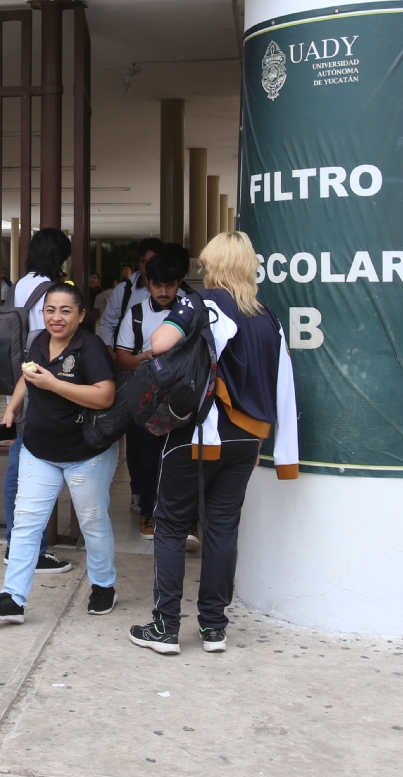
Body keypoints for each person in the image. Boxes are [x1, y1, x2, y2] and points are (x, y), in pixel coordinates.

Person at [127, 232, 298, 656]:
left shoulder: (204, 303)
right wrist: (282, 453)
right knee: (221, 529)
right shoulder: (268, 318)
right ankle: (214, 628)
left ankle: (166, 627)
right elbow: (285, 387)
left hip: (199, 435)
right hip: (248, 441)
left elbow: (159, 343)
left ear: (214, 266)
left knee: (170, 525)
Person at [0, 282, 119, 623]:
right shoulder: (37, 341)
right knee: (26, 524)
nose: (56, 317)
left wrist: (55, 384)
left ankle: (103, 585)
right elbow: (27, 377)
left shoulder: (92, 348)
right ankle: (13, 598)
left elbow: (105, 396)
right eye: (50, 310)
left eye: (66, 311)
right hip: (38, 450)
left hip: (87, 453)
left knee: (92, 522)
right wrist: (11, 409)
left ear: (82, 315)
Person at [2, 227, 76, 576]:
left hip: (15, 377)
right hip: (38, 378)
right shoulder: (54, 290)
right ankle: (27, 548)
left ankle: (16, 542)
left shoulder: (18, 284)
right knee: (26, 461)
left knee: (19, 454)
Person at [112, 244, 198, 539]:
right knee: (146, 458)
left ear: (180, 282)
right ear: (147, 282)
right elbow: (122, 356)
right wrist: (145, 358)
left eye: (170, 285)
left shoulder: (193, 308)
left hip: (183, 397)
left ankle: (186, 519)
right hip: (147, 398)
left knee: (182, 457)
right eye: (157, 285)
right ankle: (148, 511)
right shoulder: (136, 314)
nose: (163, 292)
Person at [96, 238, 161, 352]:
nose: (147, 267)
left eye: (152, 261)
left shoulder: (176, 294)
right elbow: (107, 323)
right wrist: (110, 351)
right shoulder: (123, 290)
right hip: (126, 362)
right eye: (143, 261)